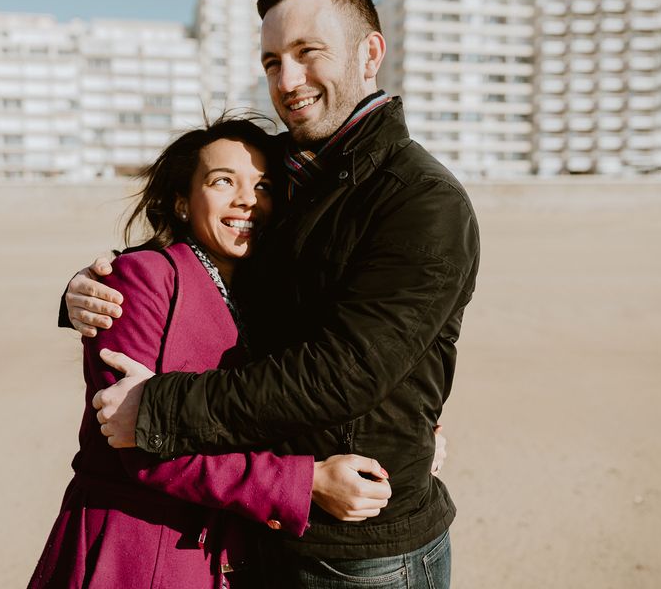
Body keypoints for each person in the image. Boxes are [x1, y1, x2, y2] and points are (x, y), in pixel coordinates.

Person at [63, 0, 480, 587]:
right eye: (272, 61)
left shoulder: (420, 200)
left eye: (309, 52)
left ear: (370, 53)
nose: (289, 80)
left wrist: (157, 408)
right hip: (266, 528)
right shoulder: (289, 172)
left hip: (362, 551)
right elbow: (195, 235)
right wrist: (89, 287)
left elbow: (344, 372)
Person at [31, 118, 394, 589]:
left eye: (262, 185)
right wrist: (305, 483)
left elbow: (314, 383)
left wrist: (413, 434)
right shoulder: (137, 280)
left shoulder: (272, 294)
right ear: (182, 201)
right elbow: (141, 444)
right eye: (223, 181)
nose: (247, 199)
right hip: (138, 550)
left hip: (233, 553)